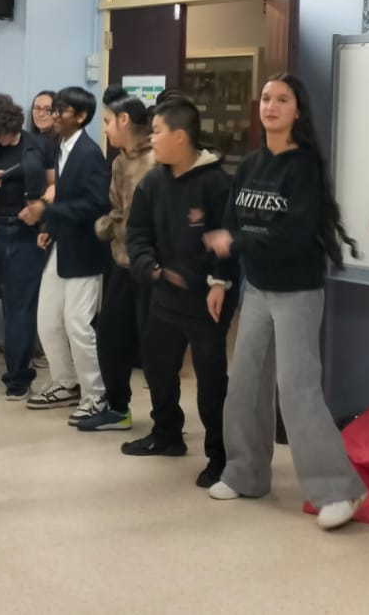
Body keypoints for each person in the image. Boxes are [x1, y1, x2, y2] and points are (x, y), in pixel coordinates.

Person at [204, 75, 367, 531]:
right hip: (257, 288)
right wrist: (219, 278)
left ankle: (339, 490)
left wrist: (236, 243)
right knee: (244, 384)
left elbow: (294, 235)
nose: (271, 106)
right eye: (266, 98)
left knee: (297, 390)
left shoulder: (304, 166)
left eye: (282, 99)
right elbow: (230, 221)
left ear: (298, 110)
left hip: (297, 292)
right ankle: (246, 474)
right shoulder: (251, 164)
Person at [122, 98, 237, 488]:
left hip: (208, 299)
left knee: (210, 381)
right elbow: (137, 234)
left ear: (180, 136)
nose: (151, 139)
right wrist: (150, 268)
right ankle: (167, 434)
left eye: (157, 132)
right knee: (158, 368)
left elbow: (229, 239)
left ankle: (220, 456)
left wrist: (219, 282)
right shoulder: (153, 183)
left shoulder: (217, 184)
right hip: (164, 294)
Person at [25, 86, 111, 418]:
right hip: (63, 244)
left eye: (62, 110)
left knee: (77, 324)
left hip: (86, 251)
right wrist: (50, 227)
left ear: (82, 116)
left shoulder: (90, 153)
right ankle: (65, 382)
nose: (55, 115)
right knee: (47, 319)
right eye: (54, 109)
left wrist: (47, 212)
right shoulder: (61, 147)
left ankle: (96, 394)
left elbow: (96, 204)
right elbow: (65, 197)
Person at [78, 87, 156, 432]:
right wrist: (108, 226)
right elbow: (118, 210)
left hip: (150, 265)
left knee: (153, 345)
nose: (106, 128)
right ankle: (118, 407)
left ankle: (166, 421)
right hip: (121, 263)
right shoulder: (120, 162)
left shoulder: (157, 161)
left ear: (124, 120)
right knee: (110, 335)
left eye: (109, 121)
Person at [0, 93, 50, 401]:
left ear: (11, 124)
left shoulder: (37, 146)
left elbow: (55, 184)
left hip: (26, 234)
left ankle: (18, 379)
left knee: (21, 309)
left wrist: (40, 208)